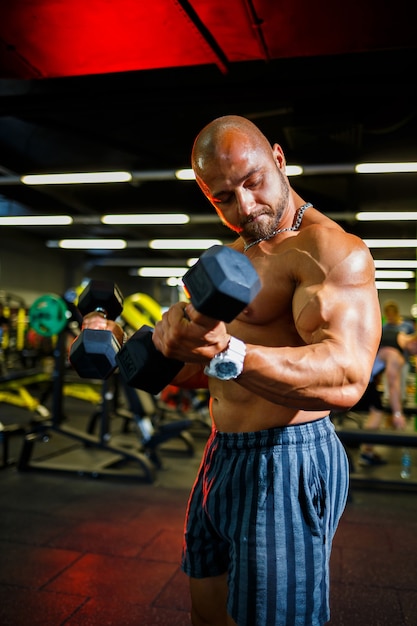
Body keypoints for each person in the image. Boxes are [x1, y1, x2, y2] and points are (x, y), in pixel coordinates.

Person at [82, 115, 381, 626]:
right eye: (222, 196)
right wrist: (127, 348)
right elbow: (207, 371)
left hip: (285, 461)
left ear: (280, 160)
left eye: (253, 182)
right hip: (223, 453)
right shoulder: (239, 252)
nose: (244, 207)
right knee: (208, 609)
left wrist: (228, 350)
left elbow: (348, 374)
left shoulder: (330, 251)